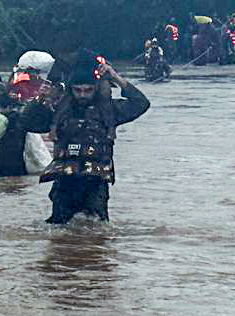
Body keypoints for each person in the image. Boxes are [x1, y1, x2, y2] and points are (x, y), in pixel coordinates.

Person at [13, 51, 150, 223]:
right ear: (71, 90)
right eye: (78, 90)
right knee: (60, 236)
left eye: (88, 90)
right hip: (65, 184)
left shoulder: (108, 111)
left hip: (95, 185)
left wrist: (115, 77)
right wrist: (41, 98)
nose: (83, 95)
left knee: (95, 233)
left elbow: (141, 103)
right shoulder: (58, 112)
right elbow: (26, 123)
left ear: (96, 89)